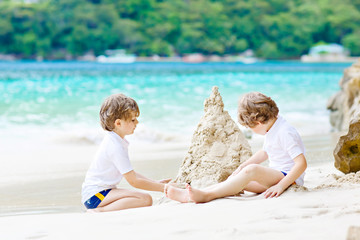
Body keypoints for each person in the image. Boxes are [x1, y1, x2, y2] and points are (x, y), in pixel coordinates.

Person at [165, 92, 307, 203]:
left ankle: (207, 195)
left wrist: (281, 186)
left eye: (249, 128)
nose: (250, 131)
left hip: (288, 178)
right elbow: (265, 152)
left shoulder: (284, 131)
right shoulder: (273, 127)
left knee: (252, 170)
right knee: (236, 182)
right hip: (276, 177)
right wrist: (241, 167)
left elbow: (301, 164)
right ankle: (197, 193)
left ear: (257, 122)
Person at [81, 93, 171, 212]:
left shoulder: (115, 140)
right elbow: (133, 181)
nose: (137, 123)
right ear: (118, 123)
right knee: (145, 199)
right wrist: (164, 188)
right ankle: (99, 211)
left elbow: (129, 173)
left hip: (100, 193)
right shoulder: (115, 145)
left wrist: (154, 182)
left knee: (143, 198)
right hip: (95, 196)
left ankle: (101, 209)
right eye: (133, 120)